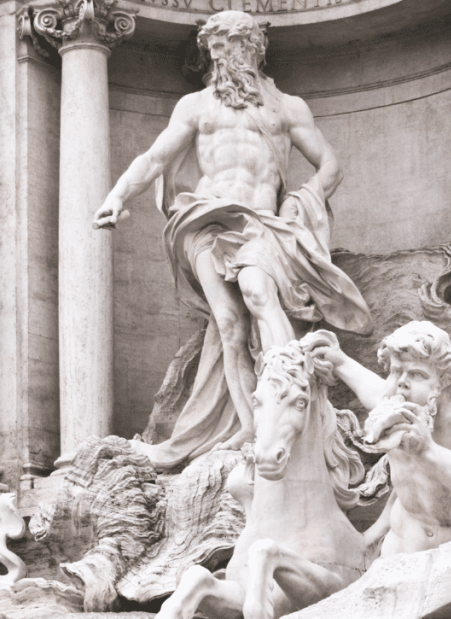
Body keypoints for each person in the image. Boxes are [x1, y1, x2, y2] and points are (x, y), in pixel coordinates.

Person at [93, 11, 372, 468]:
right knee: (227, 322)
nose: (224, 55)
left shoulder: (287, 108)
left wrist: (298, 202)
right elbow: (154, 158)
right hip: (205, 219)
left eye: (234, 44)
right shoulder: (195, 106)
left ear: (256, 48)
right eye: (216, 47)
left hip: (261, 223)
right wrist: (117, 195)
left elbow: (330, 166)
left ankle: (291, 389)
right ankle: (248, 423)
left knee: (257, 292)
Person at [312, 321, 451, 556]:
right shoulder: (389, 400)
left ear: (442, 381)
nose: (402, 382)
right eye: (396, 371)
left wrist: (427, 450)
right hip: (402, 547)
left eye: (417, 374)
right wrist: (336, 358)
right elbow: (364, 381)